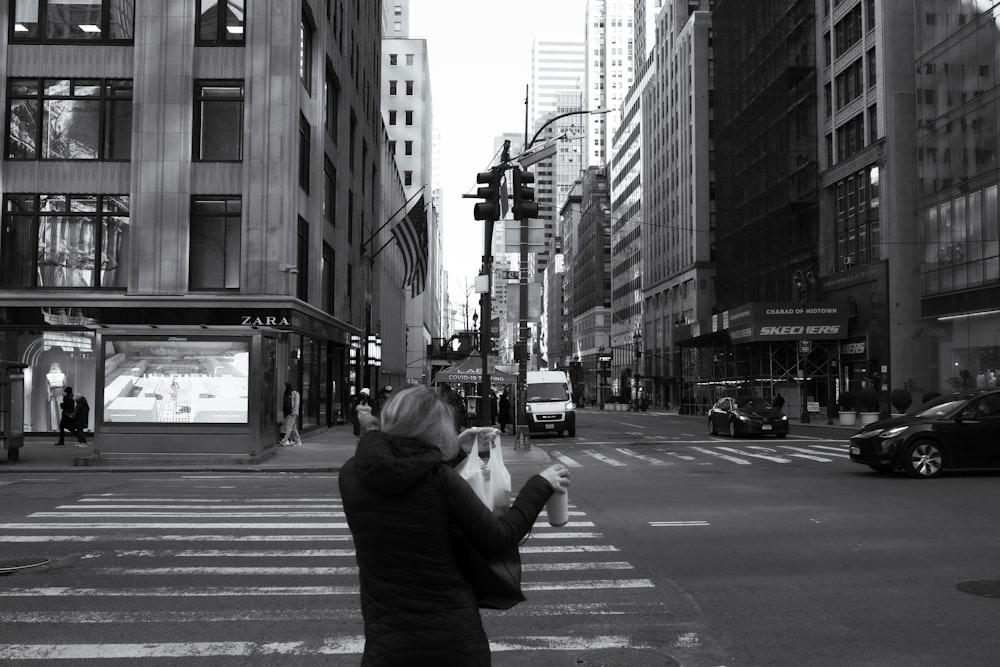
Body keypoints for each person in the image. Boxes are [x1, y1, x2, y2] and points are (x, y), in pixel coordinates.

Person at [339, 384, 570, 665]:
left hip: (385, 642)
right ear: (435, 431)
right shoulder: (441, 481)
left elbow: (406, 471)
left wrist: (458, 448)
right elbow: (499, 538)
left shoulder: (352, 475)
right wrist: (540, 485)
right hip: (451, 642)